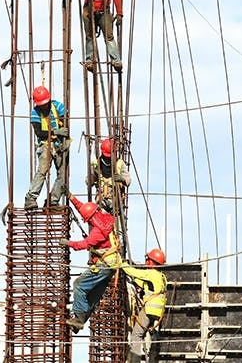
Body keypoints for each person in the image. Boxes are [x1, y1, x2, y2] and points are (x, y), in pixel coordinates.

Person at [60, 194, 122, 333]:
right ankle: (80, 321)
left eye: (87, 221)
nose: (87, 223)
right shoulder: (106, 220)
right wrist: (71, 197)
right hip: (111, 266)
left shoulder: (98, 232)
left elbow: (84, 244)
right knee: (93, 296)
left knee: (79, 285)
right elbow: (85, 209)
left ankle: (78, 318)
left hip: (104, 265)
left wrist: (68, 243)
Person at [26, 85, 69, 210]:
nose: (44, 106)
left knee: (63, 175)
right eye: (41, 104)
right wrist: (56, 132)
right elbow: (39, 133)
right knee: (42, 171)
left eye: (45, 103)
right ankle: (31, 198)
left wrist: (65, 138)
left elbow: (66, 125)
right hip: (45, 145)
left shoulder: (58, 107)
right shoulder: (35, 113)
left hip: (59, 145)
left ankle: (53, 201)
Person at [122, 249, 168, 363]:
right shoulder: (162, 277)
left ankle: (134, 360)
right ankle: (152, 359)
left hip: (149, 309)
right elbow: (146, 284)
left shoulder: (150, 273)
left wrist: (122, 264)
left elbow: (132, 271)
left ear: (152, 262)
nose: (146, 262)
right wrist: (134, 281)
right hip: (158, 312)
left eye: (148, 259)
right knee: (153, 336)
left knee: (136, 335)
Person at [88, 137, 130, 212]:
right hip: (101, 202)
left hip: (116, 203)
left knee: (115, 223)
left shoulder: (120, 163)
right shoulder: (96, 163)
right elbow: (88, 182)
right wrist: (94, 175)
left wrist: (122, 179)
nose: (107, 158)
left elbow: (128, 180)